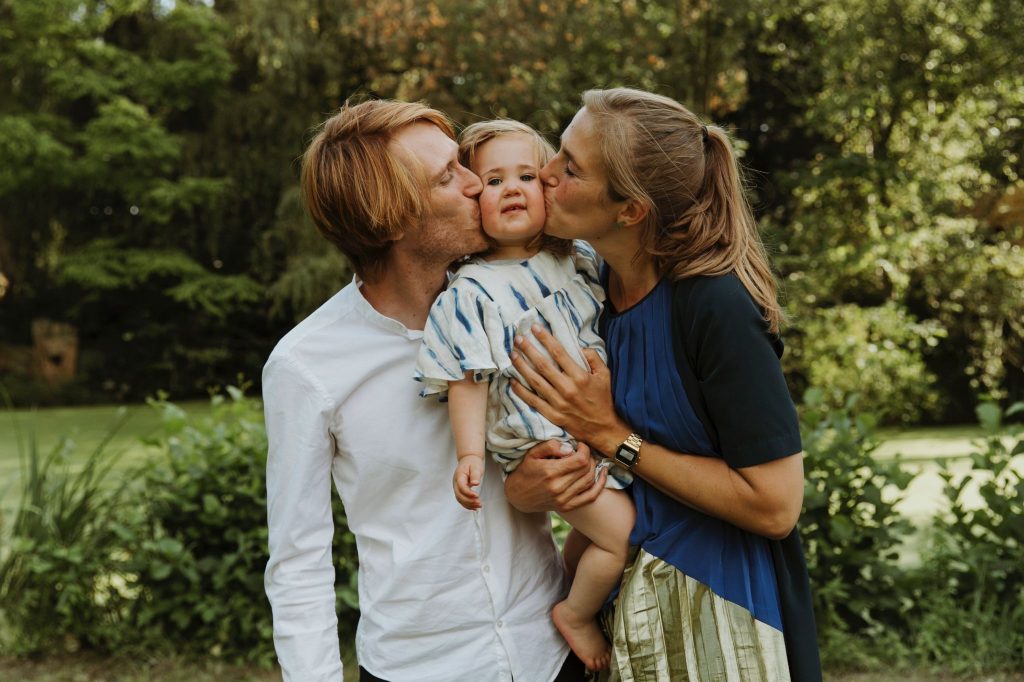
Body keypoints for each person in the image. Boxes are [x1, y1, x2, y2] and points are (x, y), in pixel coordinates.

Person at [262, 99, 591, 682]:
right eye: (449, 175)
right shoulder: (306, 365)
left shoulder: (531, 302)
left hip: (552, 654)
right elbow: (299, 562)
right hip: (420, 668)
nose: (476, 183)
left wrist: (546, 481)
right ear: (389, 220)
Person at [504, 88, 823, 681]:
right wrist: (529, 484)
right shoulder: (581, 289)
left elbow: (777, 504)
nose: (544, 172)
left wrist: (610, 434)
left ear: (630, 210)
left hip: (720, 613)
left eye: (570, 168)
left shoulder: (714, 305)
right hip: (611, 602)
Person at [413, 119, 635, 671]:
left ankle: (573, 592)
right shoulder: (472, 290)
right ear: (473, 197)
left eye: (527, 175)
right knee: (623, 536)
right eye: (492, 180)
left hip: (595, 429)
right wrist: (469, 454)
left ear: (549, 187)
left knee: (599, 537)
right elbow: (468, 377)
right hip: (544, 445)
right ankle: (575, 615)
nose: (511, 188)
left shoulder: (578, 258)